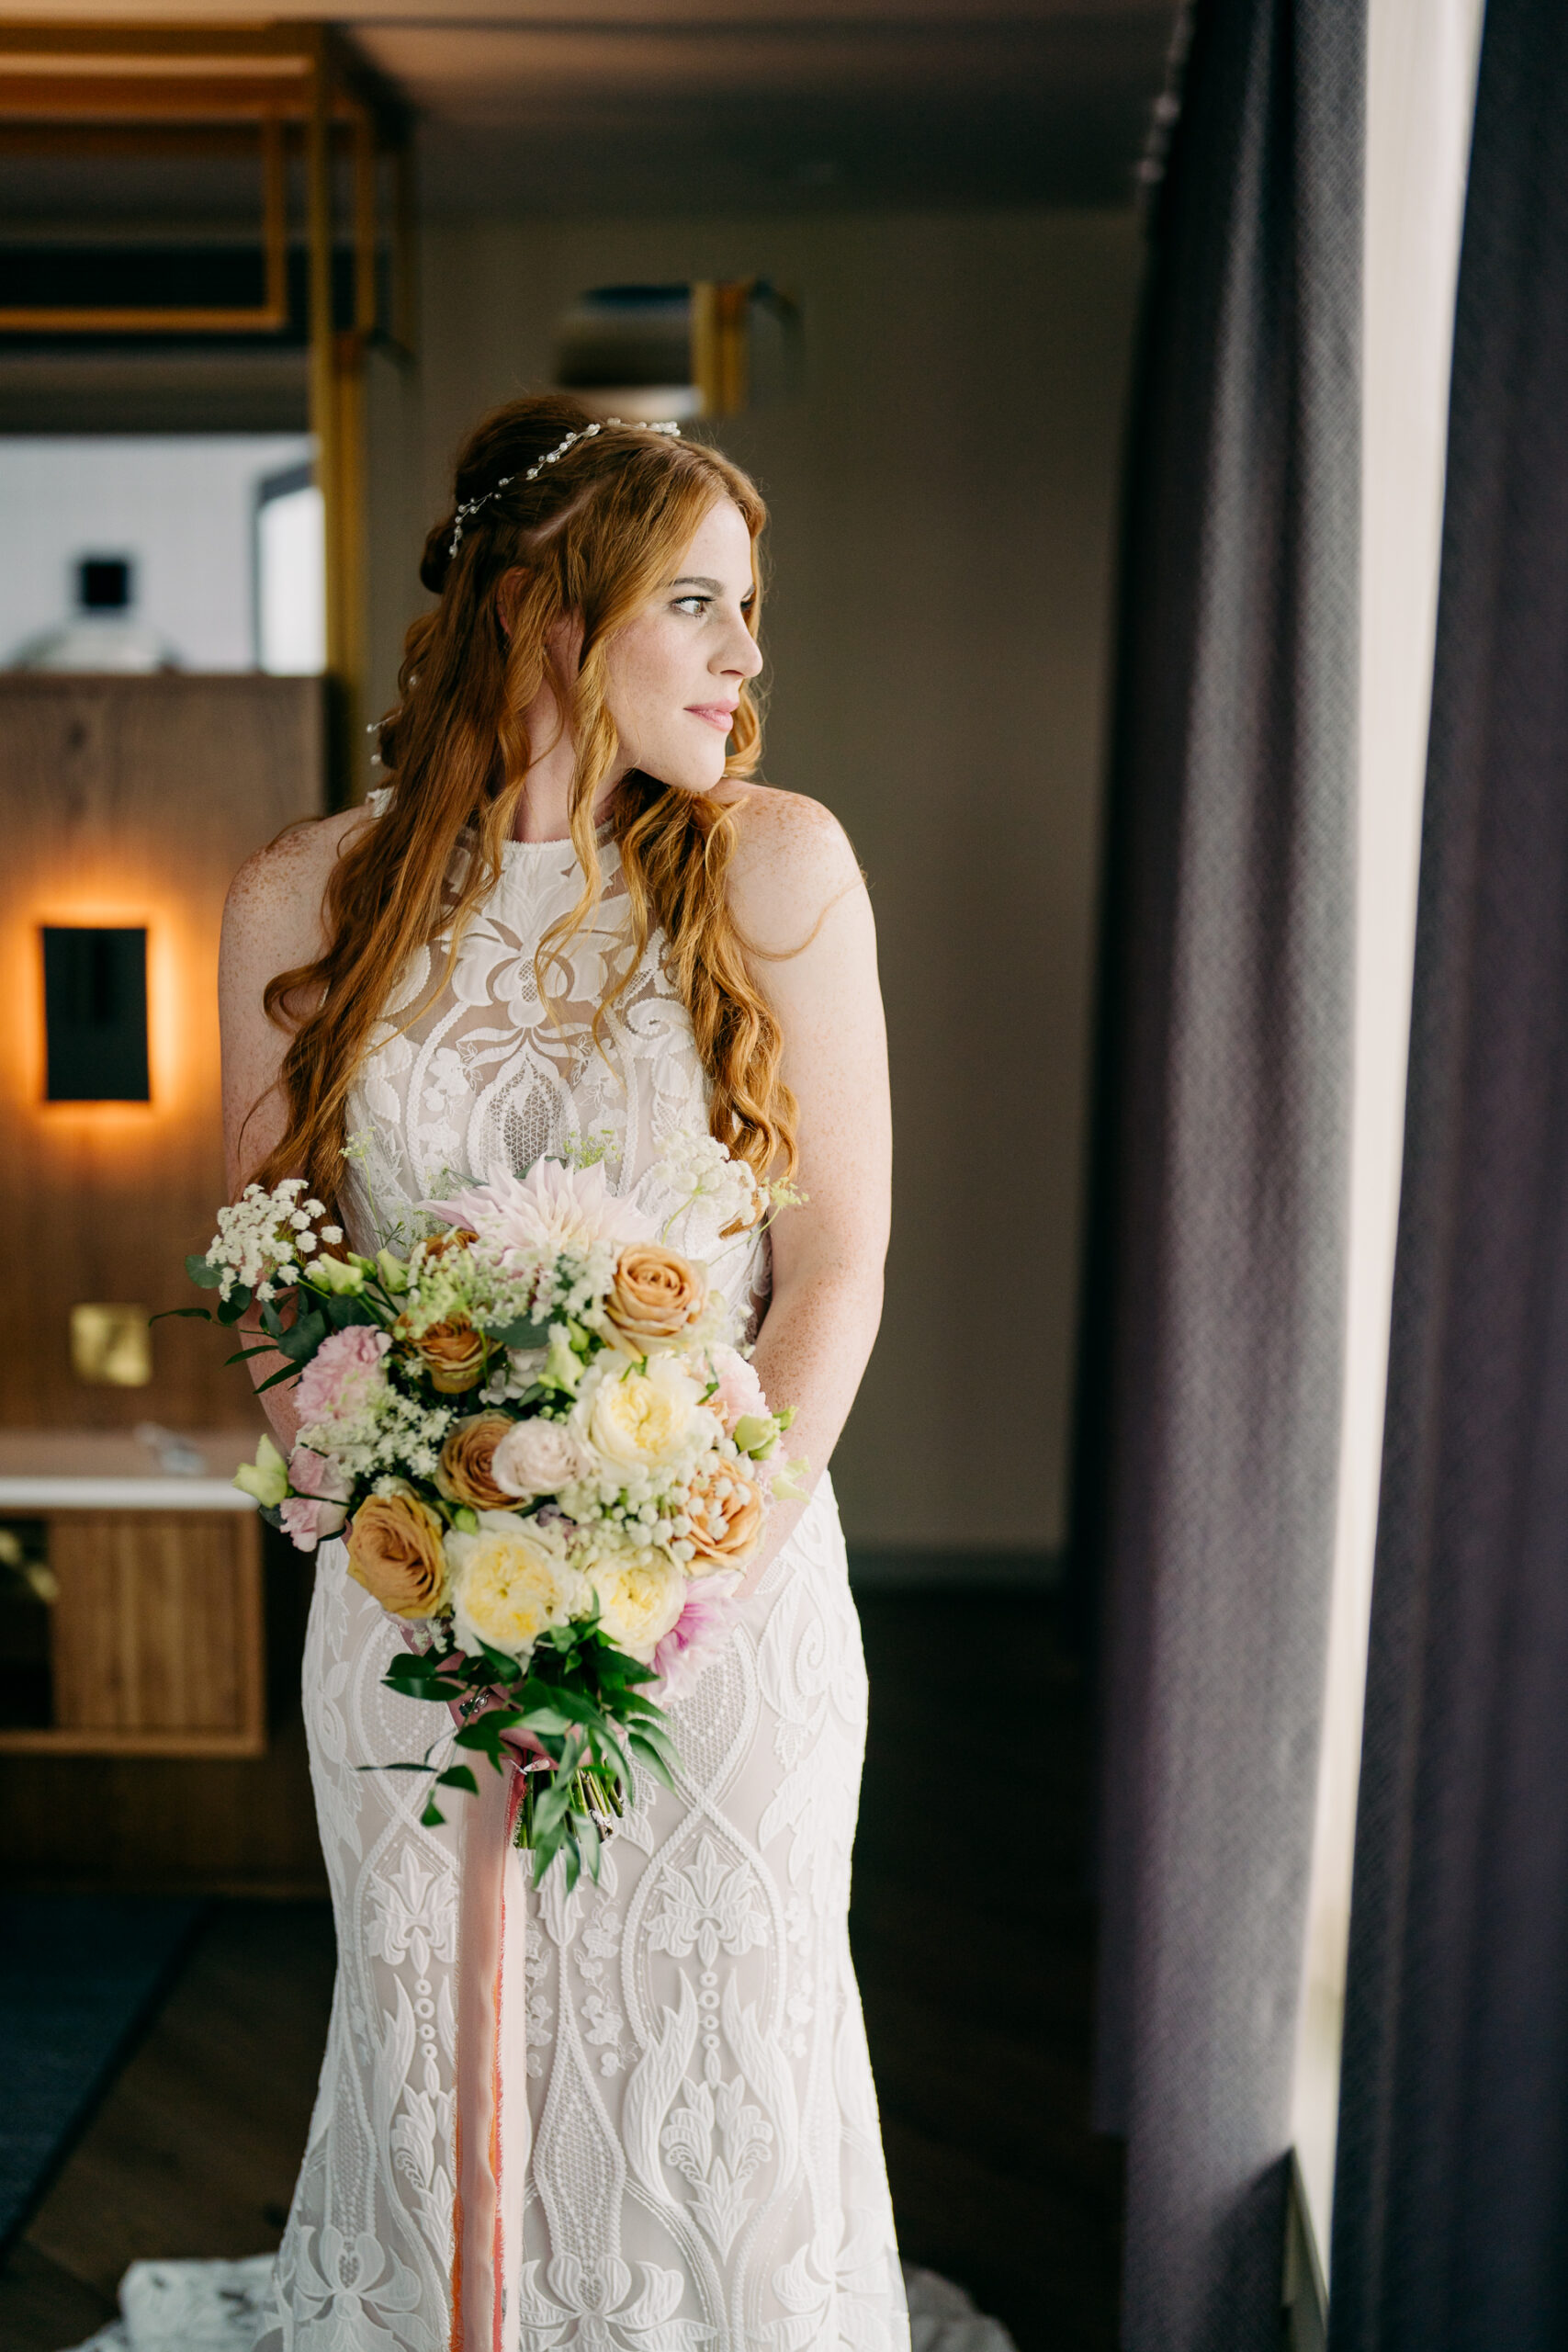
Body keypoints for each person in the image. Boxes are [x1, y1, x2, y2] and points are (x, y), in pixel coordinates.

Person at [219, 395, 908, 2350]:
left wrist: (671, 1568)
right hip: (414, 1601)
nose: (747, 656)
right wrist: (401, 1525)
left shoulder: (779, 864)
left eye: (745, 606)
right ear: (542, 610)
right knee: (442, 2062)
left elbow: (835, 1266)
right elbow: (279, 1282)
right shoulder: (301, 893)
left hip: (719, 1603)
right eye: (697, 601)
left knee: (721, 2054)